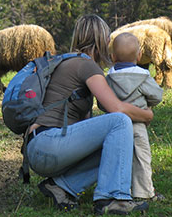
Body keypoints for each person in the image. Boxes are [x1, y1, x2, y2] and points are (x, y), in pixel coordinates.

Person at [25, 14, 153, 215]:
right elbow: (116, 109)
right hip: (49, 142)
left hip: (41, 148)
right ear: (101, 40)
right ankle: (113, 198)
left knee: (117, 143)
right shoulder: (86, 65)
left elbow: (88, 126)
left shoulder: (66, 63)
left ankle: (61, 186)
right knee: (120, 122)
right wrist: (146, 115)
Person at [98, 32, 164, 202]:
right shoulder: (142, 77)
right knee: (141, 158)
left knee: (118, 157)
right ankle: (144, 192)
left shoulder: (109, 78)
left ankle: (120, 188)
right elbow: (157, 96)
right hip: (138, 125)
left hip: (115, 128)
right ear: (140, 55)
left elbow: (101, 103)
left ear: (112, 57)